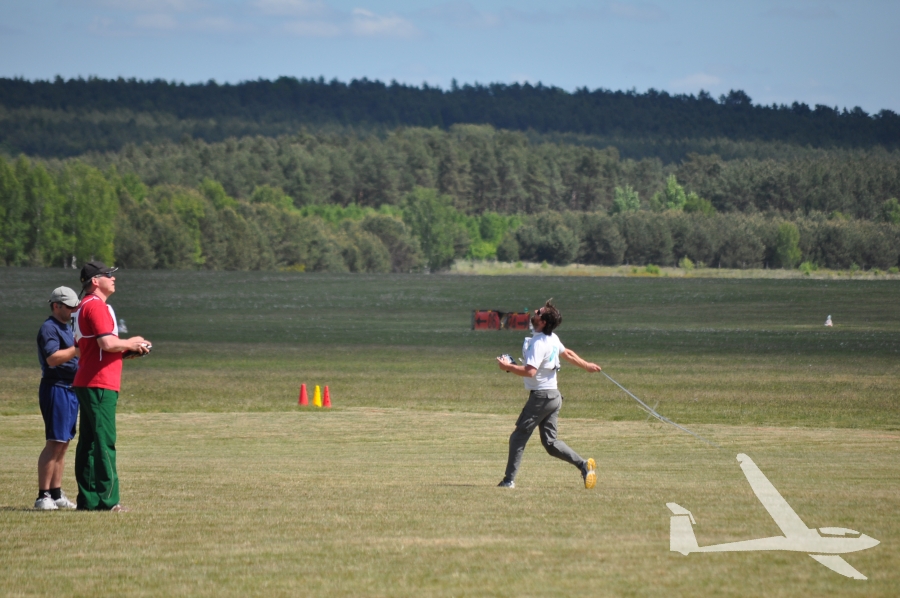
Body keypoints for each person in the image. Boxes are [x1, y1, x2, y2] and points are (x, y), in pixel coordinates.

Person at [496, 299, 602, 489]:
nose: (535, 312)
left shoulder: (538, 343)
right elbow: (567, 353)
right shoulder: (552, 338)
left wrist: (508, 367)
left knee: (518, 437)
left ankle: (508, 481)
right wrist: (586, 365)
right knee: (550, 444)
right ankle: (584, 465)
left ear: (543, 322)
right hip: (554, 396)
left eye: (539, 312)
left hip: (541, 397)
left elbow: (530, 372)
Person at [72, 261, 151, 512]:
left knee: (89, 442)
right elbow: (106, 344)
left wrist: (127, 352)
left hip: (88, 379)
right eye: (108, 275)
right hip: (99, 381)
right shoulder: (96, 306)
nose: (113, 278)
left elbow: (88, 349)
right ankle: (108, 501)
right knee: (104, 440)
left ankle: (88, 499)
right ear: (95, 281)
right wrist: (131, 342)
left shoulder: (82, 306)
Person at [34, 287, 81, 510]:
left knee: (63, 444)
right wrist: (77, 349)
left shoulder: (67, 327)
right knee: (54, 443)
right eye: (70, 307)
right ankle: (43, 496)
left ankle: (56, 492)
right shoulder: (49, 328)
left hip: (71, 389)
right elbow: (52, 358)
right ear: (56, 306)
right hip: (56, 388)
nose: (74, 310)